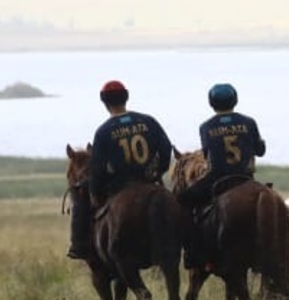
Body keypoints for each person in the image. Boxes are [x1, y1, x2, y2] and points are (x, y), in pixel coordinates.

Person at [66, 80, 174, 261]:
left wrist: (93, 191)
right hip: (148, 180)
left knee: (78, 196)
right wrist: (158, 172)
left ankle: (78, 244)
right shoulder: (148, 121)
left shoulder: (103, 131)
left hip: (119, 184)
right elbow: (166, 149)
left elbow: (98, 169)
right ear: (126, 97)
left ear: (104, 102)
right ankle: (190, 242)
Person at [177, 83, 266, 268]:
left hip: (217, 179)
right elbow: (260, 150)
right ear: (235, 100)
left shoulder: (206, 126)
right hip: (246, 178)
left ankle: (193, 253)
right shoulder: (249, 122)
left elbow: (208, 155)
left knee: (182, 201)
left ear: (211, 103)